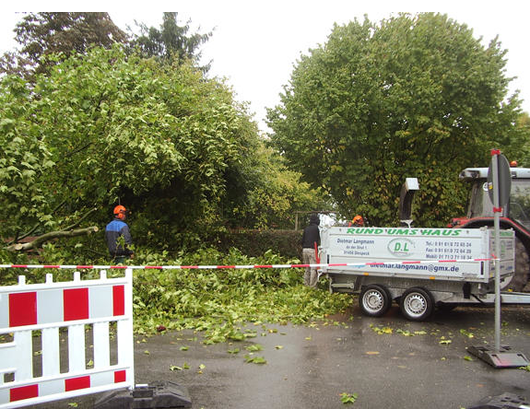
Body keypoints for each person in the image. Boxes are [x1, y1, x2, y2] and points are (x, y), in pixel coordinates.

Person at [302, 214, 321, 289]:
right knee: (313, 268)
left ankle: (306, 285)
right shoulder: (317, 229)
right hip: (312, 249)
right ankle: (312, 287)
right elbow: (319, 239)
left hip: (305, 249)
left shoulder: (306, 228)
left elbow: (302, 240)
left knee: (307, 268)